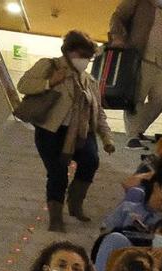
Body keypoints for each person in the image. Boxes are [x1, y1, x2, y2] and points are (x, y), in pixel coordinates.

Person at [18, 31, 113, 232]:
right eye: (81, 55)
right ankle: (55, 217)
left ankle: (75, 203)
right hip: (51, 131)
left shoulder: (89, 81)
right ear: (69, 51)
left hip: (81, 132)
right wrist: (49, 82)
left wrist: (107, 138)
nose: (84, 61)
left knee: (91, 160)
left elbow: (99, 113)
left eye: (88, 57)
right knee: (57, 172)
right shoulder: (50, 65)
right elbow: (23, 85)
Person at [107, 0, 162, 148]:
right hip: (140, 59)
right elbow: (117, 16)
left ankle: (137, 130)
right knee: (136, 99)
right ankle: (133, 136)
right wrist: (117, 36)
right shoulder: (138, 3)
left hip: (161, 66)